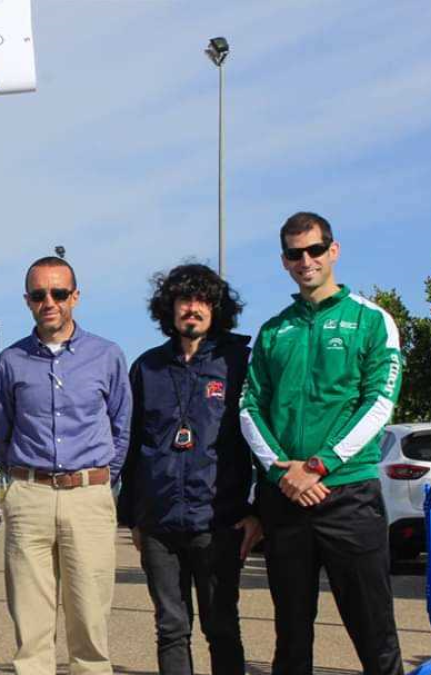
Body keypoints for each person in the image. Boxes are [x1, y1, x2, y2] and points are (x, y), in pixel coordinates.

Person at [241, 212, 405, 675]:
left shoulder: (371, 320)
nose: (305, 260)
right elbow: (249, 407)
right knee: (291, 635)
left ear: (333, 251)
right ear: (284, 261)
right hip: (285, 498)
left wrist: (317, 465)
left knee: (375, 632)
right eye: (295, 253)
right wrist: (281, 472)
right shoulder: (274, 330)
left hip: (348, 496)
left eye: (314, 250)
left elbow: (379, 403)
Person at [0, 255, 131, 675]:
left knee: (89, 623)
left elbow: (122, 427)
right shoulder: (10, 362)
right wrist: (21, 484)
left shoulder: (107, 356)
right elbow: (2, 430)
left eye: (59, 293)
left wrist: (102, 482)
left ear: (75, 297)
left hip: (89, 496)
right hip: (29, 495)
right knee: (31, 629)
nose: (49, 301)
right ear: (27, 301)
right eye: (39, 294)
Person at [118, 264, 261, 675]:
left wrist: (256, 510)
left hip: (218, 520)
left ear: (217, 309)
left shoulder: (238, 363)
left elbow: (259, 437)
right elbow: (132, 446)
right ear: (170, 307)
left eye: (202, 301)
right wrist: (132, 518)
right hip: (159, 522)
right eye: (185, 300)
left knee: (221, 627)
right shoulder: (147, 367)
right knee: (171, 628)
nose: (193, 309)